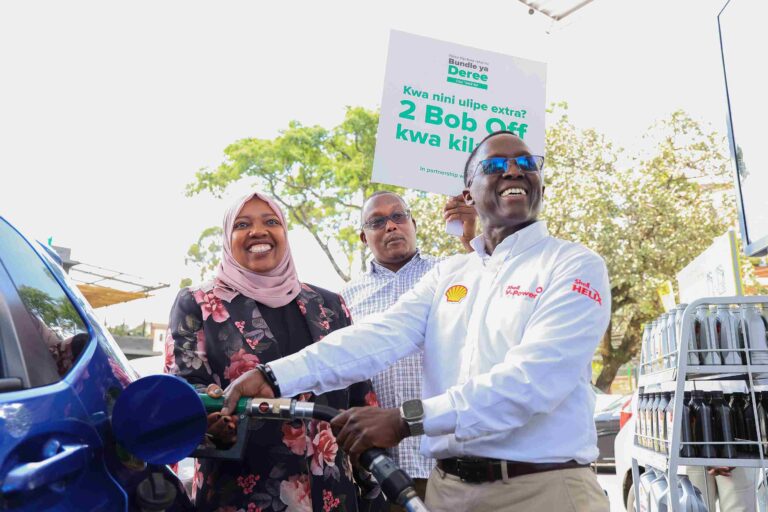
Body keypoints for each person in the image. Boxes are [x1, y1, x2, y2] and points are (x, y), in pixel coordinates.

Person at [222, 131, 612, 512]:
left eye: (526, 163)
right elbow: (379, 336)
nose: (513, 171)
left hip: (543, 490)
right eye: (495, 164)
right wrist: (274, 377)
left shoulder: (574, 265)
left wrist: (408, 420)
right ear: (468, 193)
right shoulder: (451, 275)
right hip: (449, 491)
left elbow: (534, 380)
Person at [164, 191, 380, 512]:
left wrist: (373, 486)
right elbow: (181, 394)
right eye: (242, 224)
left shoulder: (329, 305)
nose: (258, 231)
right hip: (241, 494)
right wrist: (214, 423)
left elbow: (361, 397)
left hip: (333, 494)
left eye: (271, 221)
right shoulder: (199, 303)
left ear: (285, 234)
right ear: (228, 237)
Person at [341, 190, 475, 508]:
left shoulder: (455, 275)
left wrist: (470, 240)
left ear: (413, 223)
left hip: (450, 462)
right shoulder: (345, 298)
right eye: (377, 221)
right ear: (363, 236)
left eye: (398, 216)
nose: (391, 226)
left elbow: (497, 288)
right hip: (380, 470)